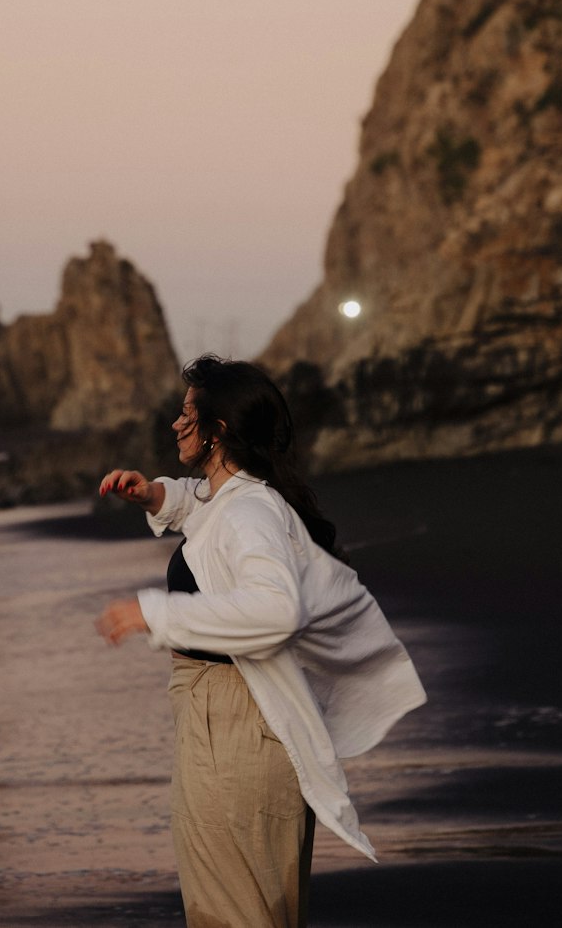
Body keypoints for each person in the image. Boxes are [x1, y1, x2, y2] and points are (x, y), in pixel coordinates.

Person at [95, 355, 426, 928]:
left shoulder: (251, 511)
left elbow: (277, 609)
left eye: (187, 413)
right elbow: (207, 511)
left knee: (231, 915)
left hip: (234, 723)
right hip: (230, 721)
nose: (176, 424)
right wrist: (155, 496)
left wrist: (156, 613)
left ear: (217, 431)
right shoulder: (237, 499)